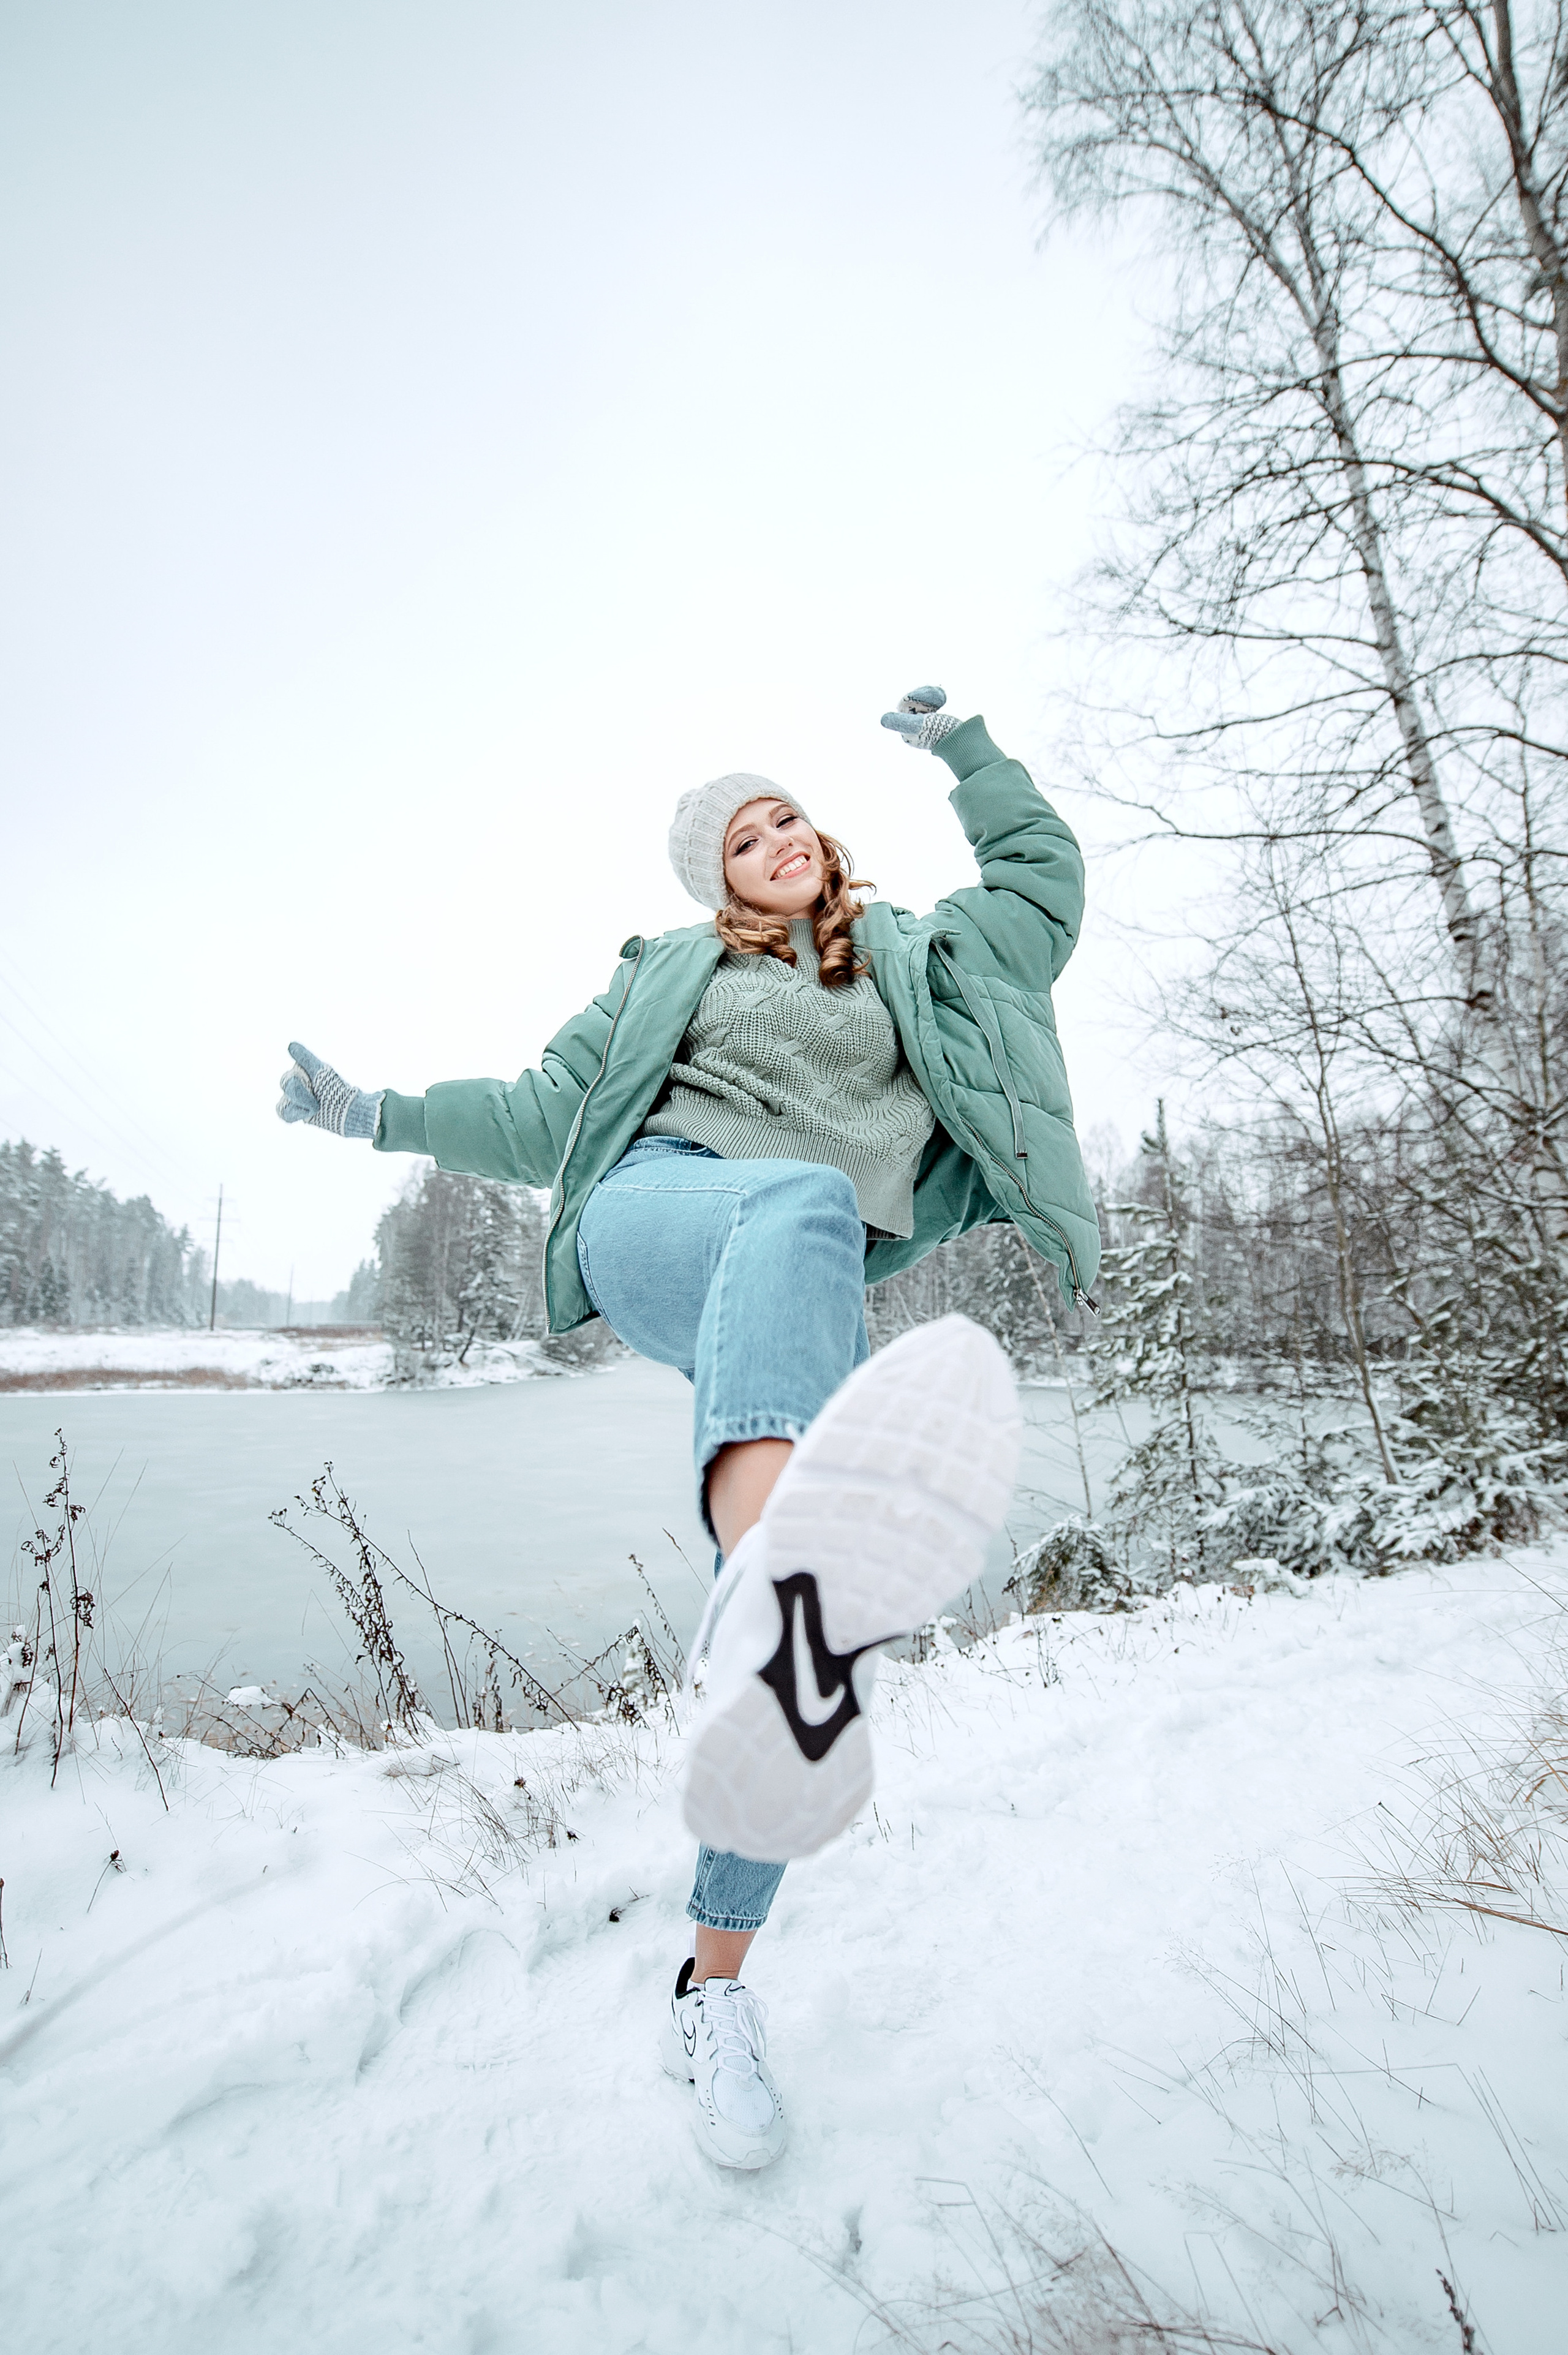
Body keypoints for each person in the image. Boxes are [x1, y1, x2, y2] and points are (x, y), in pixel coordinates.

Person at [277, 684, 1101, 2171]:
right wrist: (375, 1116)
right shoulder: (670, 974)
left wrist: (968, 756)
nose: (777, 835)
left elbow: (1041, 889)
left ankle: (712, 1974)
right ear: (710, 882)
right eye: (742, 834)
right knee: (795, 1202)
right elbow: (538, 1117)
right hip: (660, 1218)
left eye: (786, 812)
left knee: (795, 1676)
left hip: (794, 1283)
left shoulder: (926, 958)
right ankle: (784, 1549)